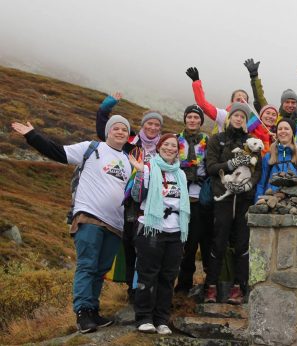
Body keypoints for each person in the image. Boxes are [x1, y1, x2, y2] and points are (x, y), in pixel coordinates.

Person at [12, 114, 132, 334]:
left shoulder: (127, 160)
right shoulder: (92, 148)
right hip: (89, 217)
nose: (120, 132)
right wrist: (32, 136)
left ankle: (93, 310)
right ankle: (82, 312)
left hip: (115, 225)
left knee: (101, 269)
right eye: (116, 128)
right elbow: (58, 152)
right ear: (108, 131)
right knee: (87, 264)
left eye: (124, 130)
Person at [95, 91, 164, 303]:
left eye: (156, 125)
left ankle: (146, 287)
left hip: (153, 203)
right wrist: (109, 104)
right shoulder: (132, 141)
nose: (152, 128)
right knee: (129, 243)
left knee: (148, 246)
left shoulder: (166, 146)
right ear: (143, 125)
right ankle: (131, 289)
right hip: (131, 202)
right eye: (149, 124)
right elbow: (102, 126)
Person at [129, 133, 190, 335]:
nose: (170, 148)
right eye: (166, 145)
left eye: (174, 146)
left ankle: (161, 319)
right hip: (151, 228)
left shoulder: (180, 174)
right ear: (159, 147)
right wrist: (139, 173)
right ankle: (144, 317)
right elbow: (136, 196)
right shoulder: (148, 167)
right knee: (148, 274)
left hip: (175, 231)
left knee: (168, 277)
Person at [204, 102, 263, 304]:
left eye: (243, 117)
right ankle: (210, 287)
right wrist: (230, 164)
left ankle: (239, 287)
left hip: (244, 199)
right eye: (236, 115)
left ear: (247, 122)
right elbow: (210, 167)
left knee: (242, 243)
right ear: (229, 117)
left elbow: (258, 172)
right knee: (218, 242)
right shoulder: (216, 140)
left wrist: (248, 187)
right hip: (223, 197)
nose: (239, 119)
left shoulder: (252, 142)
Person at [175, 105, 215, 294]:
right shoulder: (175, 140)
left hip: (202, 198)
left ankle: (209, 284)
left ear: (201, 121)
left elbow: (212, 165)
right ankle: (183, 284)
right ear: (185, 119)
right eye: (189, 117)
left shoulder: (207, 140)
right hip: (181, 199)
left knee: (204, 241)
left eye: (196, 117)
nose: (192, 120)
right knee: (187, 244)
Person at [248, 61, 297, 152]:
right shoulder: (274, 117)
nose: (290, 105)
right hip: (275, 157)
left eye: (293, 102)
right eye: (287, 102)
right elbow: (260, 99)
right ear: (282, 103)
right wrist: (254, 77)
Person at [255, 119, 297, 197]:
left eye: (286, 128)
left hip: (292, 205)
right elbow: (261, 184)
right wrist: (258, 202)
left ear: (293, 133)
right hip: (269, 203)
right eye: (280, 129)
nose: (283, 131)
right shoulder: (268, 156)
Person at [186, 66, 252, 133]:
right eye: (238, 99)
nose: (241, 102)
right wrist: (196, 82)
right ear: (232, 101)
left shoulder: (252, 121)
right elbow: (202, 104)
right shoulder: (223, 115)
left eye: (244, 101)